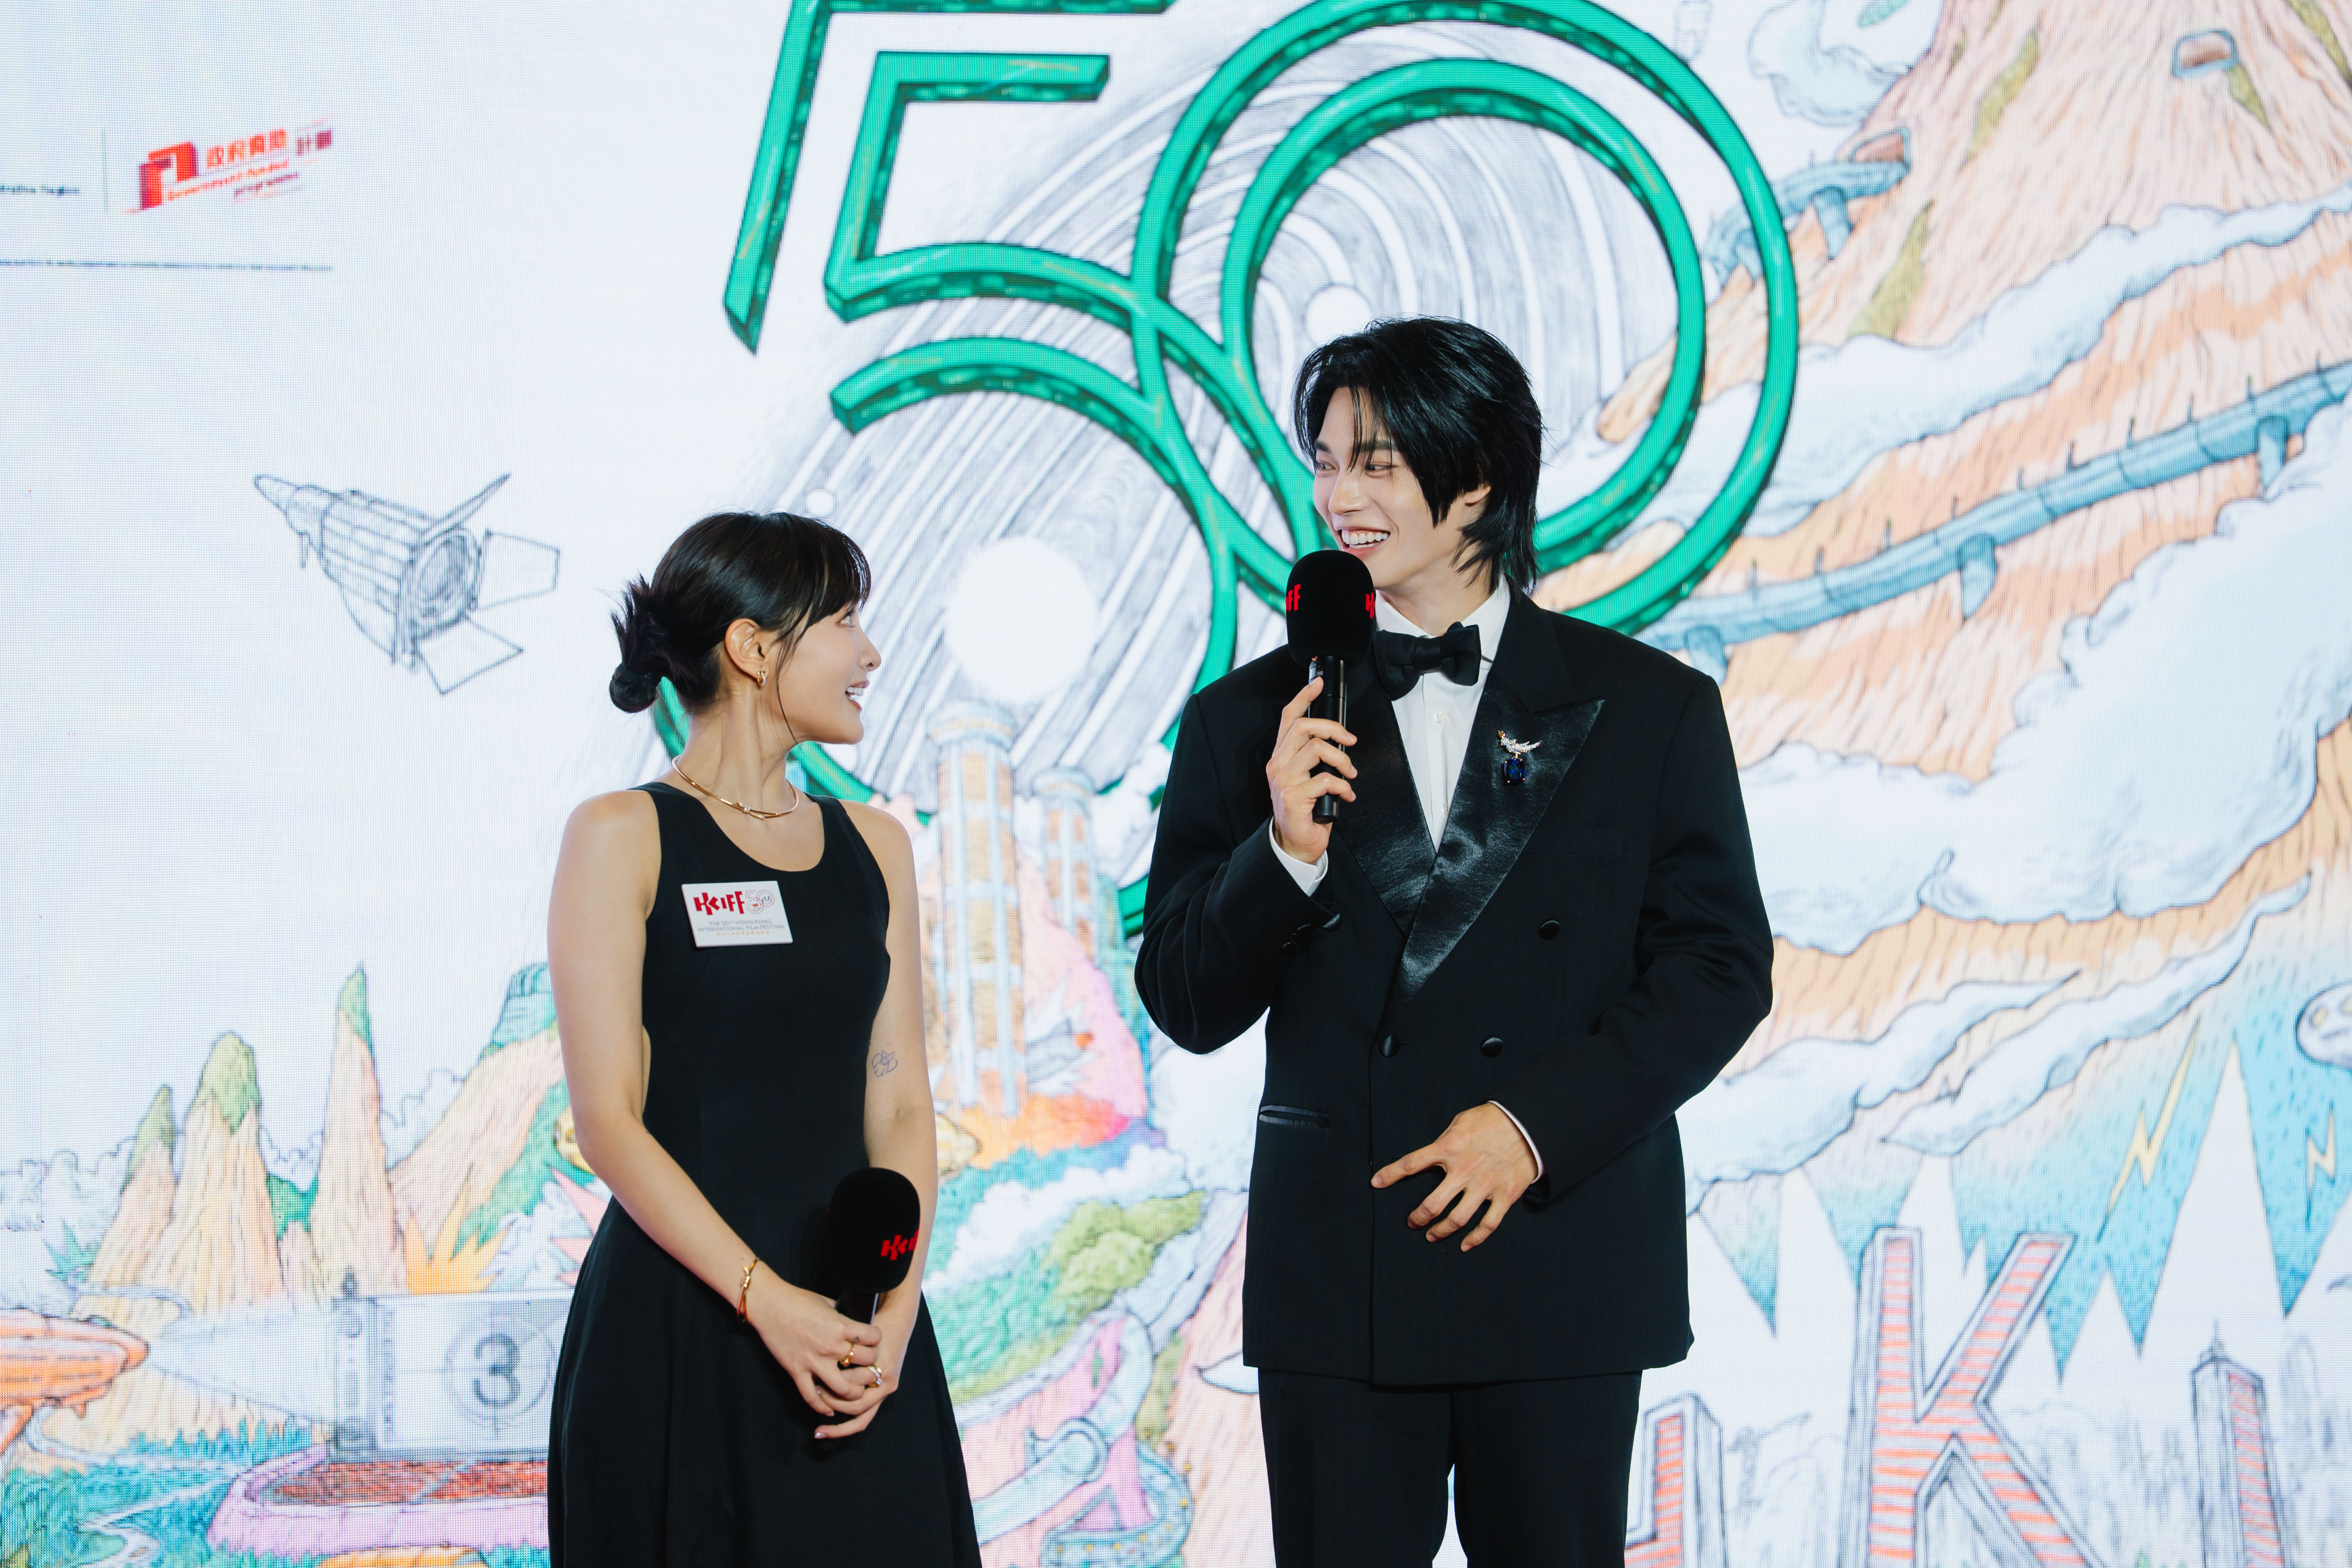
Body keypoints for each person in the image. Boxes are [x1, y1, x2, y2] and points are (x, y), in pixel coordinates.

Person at [1137, 318, 1772, 1566]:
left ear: (1476, 480)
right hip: (1345, 1266)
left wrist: (1530, 1127)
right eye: (1326, 463)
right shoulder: (1246, 721)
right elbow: (1185, 999)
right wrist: (1285, 852)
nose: (1339, 497)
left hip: (1556, 1250)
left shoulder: (1650, 708)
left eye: (1375, 463)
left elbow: (1716, 971)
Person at [545, 511, 980, 1565]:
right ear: (751, 647)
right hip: (683, 1327)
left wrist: (895, 1315)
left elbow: (899, 1099)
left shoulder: (875, 844)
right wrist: (765, 1301)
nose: (871, 654)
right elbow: (608, 1121)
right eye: (843, 622)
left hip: (857, 1329)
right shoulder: (620, 835)